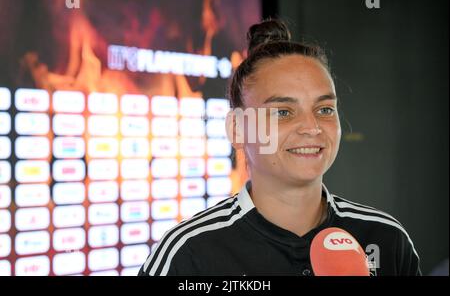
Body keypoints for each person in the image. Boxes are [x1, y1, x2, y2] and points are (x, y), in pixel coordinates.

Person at [138, 19, 421, 276]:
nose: (312, 127)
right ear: (237, 129)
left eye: (324, 109)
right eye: (283, 112)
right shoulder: (189, 253)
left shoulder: (387, 238)